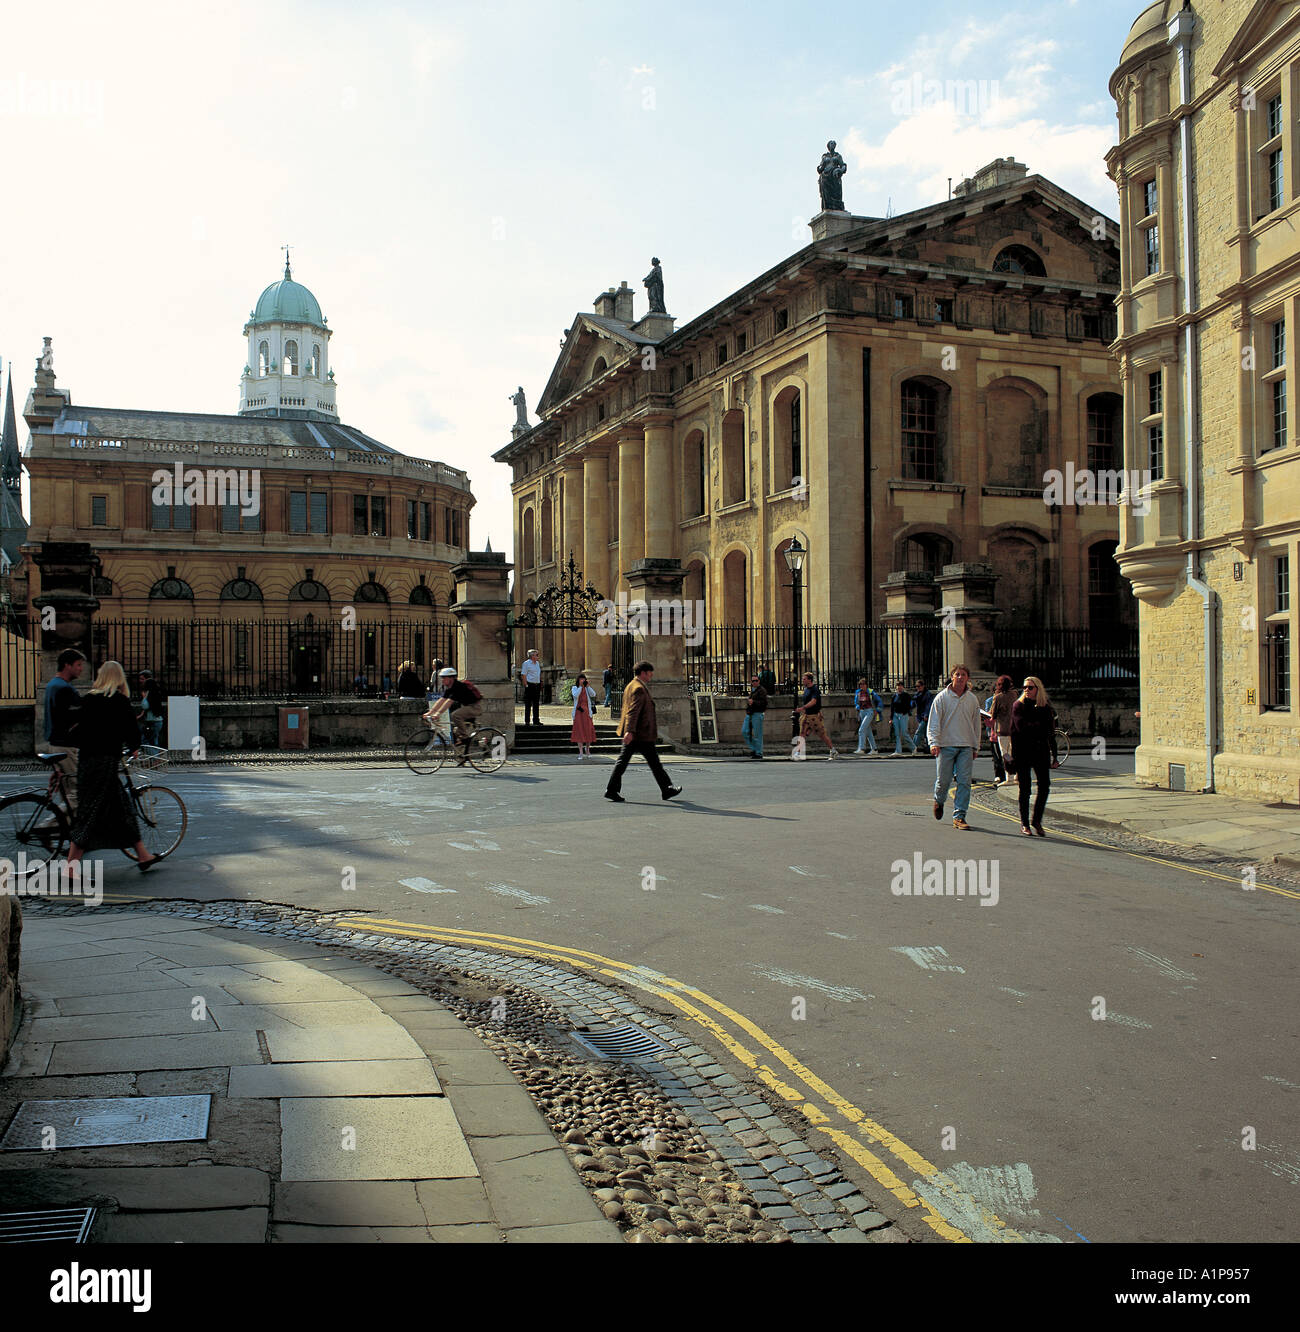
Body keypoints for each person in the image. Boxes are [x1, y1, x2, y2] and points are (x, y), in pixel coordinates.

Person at [65, 661, 161, 873]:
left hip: (88, 761)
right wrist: (134, 748)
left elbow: (76, 725)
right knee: (90, 813)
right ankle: (70, 868)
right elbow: (130, 729)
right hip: (105, 762)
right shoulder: (119, 701)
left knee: (123, 808)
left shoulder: (89, 699)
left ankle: (143, 855)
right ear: (119, 678)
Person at [605, 661, 681, 802]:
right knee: (648, 763)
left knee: (649, 763)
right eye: (650, 673)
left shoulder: (631, 685)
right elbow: (633, 712)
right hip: (640, 734)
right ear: (643, 673)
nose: (651, 676)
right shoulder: (638, 688)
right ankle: (666, 789)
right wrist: (630, 731)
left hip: (638, 733)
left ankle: (666, 789)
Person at [927, 663, 982, 831]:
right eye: (957, 674)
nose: (960, 677)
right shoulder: (942, 698)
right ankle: (939, 800)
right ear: (952, 676)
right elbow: (934, 722)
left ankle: (959, 816)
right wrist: (933, 742)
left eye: (963, 675)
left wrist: (975, 746)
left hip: (965, 745)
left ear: (968, 678)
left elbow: (976, 724)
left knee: (964, 782)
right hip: (945, 745)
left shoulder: (972, 699)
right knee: (943, 781)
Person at [1010, 675, 1060, 836]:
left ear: (1038, 689)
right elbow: (1021, 727)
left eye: (1030, 687)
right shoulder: (1018, 705)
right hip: (1023, 751)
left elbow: (1050, 732)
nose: (1026, 690)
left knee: (1045, 786)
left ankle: (1036, 820)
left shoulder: (1045, 707)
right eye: (1024, 687)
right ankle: (1024, 823)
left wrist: (1055, 756)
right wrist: (1039, 727)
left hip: (1041, 751)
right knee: (1025, 789)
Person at [42, 648, 85, 814]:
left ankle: (71, 835)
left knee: (69, 796)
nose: (81, 668)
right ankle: (47, 827)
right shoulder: (65, 689)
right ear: (67, 665)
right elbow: (74, 717)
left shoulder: (52, 685)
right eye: (78, 665)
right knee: (77, 795)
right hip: (66, 746)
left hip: (55, 743)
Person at [425, 666, 482, 765]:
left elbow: (448, 702)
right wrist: (430, 712)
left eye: (444, 678)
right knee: (456, 732)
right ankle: (462, 757)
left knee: (455, 715)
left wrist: (438, 714)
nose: (442, 680)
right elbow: (441, 700)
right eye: (441, 677)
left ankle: (465, 737)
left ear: (451, 678)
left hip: (474, 708)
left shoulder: (458, 687)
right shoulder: (450, 688)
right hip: (468, 709)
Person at [793, 672, 837, 759]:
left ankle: (833, 750)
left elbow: (814, 701)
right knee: (802, 734)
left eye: (804, 679)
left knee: (822, 735)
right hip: (807, 716)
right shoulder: (806, 690)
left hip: (813, 716)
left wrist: (802, 708)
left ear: (809, 680)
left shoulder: (815, 690)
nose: (803, 681)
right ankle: (797, 753)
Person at [983, 674, 1016, 786]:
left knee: (1005, 754)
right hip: (1014, 728)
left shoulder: (998, 697)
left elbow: (993, 714)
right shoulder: (1014, 694)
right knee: (1013, 752)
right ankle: (1016, 775)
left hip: (1002, 729)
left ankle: (1009, 777)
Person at [135, 669, 165, 748]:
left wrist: (144, 697)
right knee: (153, 741)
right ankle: (154, 758)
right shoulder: (154, 691)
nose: (140, 681)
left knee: (147, 741)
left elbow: (146, 706)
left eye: (142, 679)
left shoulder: (150, 692)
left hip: (153, 721)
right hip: (155, 720)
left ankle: (154, 758)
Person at [570, 672, 597, 760]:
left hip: (587, 713)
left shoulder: (587, 689)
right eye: (581, 679)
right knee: (579, 731)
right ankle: (581, 752)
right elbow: (575, 695)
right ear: (578, 680)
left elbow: (593, 694)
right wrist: (581, 687)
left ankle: (587, 749)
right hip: (578, 713)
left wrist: (588, 686)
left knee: (588, 731)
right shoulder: (575, 688)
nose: (582, 681)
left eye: (584, 679)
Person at [853, 678, 881, 755]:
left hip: (869, 711)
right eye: (860, 684)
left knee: (861, 730)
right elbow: (856, 702)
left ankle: (862, 748)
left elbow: (879, 701)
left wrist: (877, 710)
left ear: (866, 685)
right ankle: (874, 749)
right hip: (862, 711)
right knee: (868, 732)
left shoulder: (871, 692)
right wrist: (857, 706)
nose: (862, 686)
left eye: (863, 684)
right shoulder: (858, 693)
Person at [743, 674, 768, 758]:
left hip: (757, 713)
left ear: (759, 681)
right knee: (745, 732)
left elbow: (764, 703)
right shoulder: (753, 690)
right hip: (750, 713)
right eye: (753, 681)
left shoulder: (762, 690)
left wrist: (753, 702)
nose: (754, 682)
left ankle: (758, 752)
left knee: (758, 734)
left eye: (756, 680)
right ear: (751, 682)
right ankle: (754, 748)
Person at [889, 681, 916, 756]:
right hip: (895, 715)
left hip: (903, 715)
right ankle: (898, 750)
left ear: (903, 687)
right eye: (897, 686)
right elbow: (892, 707)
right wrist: (891, 718)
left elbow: (910, 705)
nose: (899, 687)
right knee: (897, 734)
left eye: (900, 686)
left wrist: (906, 711)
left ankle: (913, 747)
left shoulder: (906, 695)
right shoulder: (894, 696)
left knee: (904, 733)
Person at [520, 648, 542, 728]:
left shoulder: (537, 664)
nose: (537, 657)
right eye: (536, 655)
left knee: (536, 704)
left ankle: (536, 720)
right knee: (528, 704)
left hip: (537, 685)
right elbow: (524, 675)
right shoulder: (526, 664)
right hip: (530, 685)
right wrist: (526, 685)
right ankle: (527, 721)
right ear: (532, 656)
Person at [912, 679, 934, 757]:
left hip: (925, 716)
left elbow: (929, 705)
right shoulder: (917, 694)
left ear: (923, 686)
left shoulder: (928, 694)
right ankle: (928, 748)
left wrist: (926, 715)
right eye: (916, 686)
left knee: (919, 731)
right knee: (925, 733)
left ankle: (913, 746)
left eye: (919, 686)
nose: (917, 688)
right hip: (920, 716)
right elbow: (913, 703)